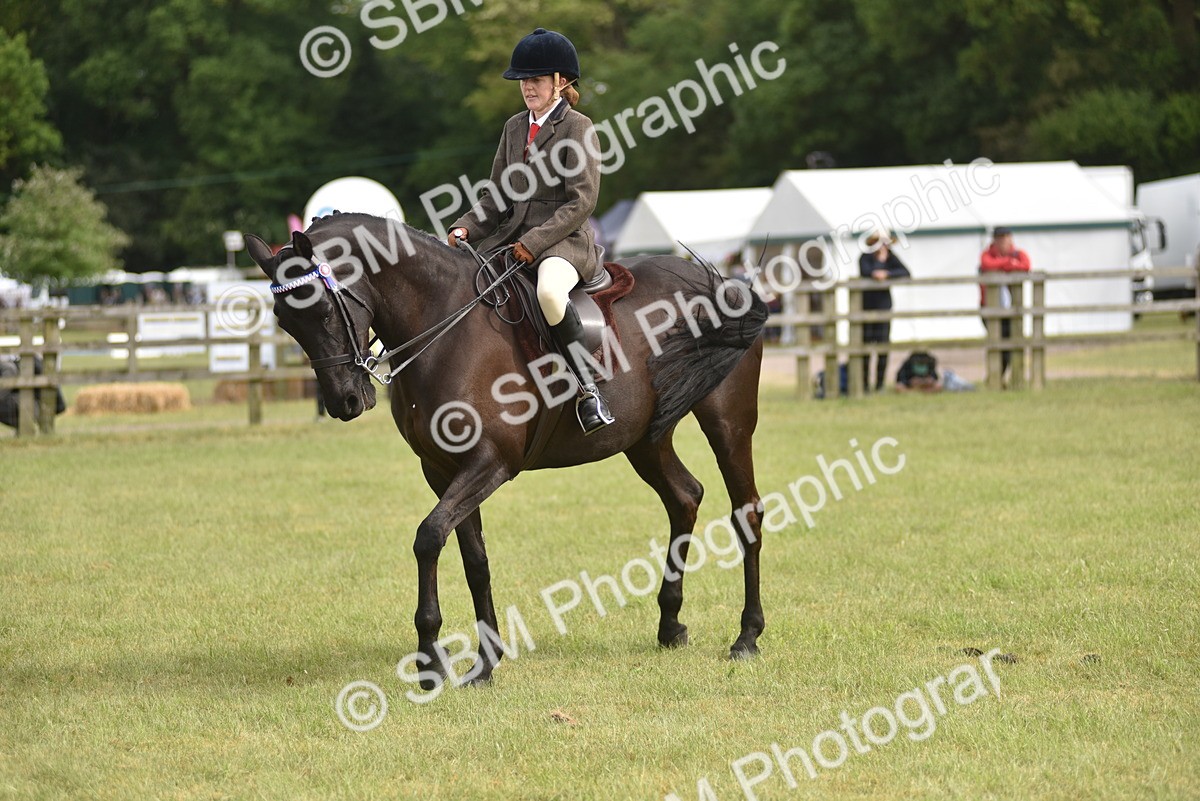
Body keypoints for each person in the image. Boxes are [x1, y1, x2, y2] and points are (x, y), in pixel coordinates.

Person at [447, 28, 612, 435]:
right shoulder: (514, 128)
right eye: (523, 80)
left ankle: (588, 390)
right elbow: (497, 194)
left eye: (535, 79)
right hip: (512, 240)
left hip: (563, 243)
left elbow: (582, 201)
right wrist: (466, 226)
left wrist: (534, 243)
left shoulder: (578, 127)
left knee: (549, 293)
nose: (527, 87)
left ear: (561, 82)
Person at [858, 231, 910, 392]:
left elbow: (905, 272)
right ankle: (864, 384)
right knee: (865, 348)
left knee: (883, 347)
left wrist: (887, 273)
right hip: (866, 308)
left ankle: (880, 384)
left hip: (883, 307)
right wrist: (879, 266)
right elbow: (866, 271)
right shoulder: (865, 257)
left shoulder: (891, 257)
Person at [979, 226, 1030, 384]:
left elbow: (1026, 265)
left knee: (1011, 343)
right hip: (989, 308)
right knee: (997, 343)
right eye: (1000, 238)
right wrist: (1009, 263)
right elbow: (987, 264)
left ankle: (999, 377)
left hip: (1011, 309)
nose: (1003, 242)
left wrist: (1001, 265)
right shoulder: (987, 254)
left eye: (1006, 238)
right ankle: (996, 378)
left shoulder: (1018, 253)